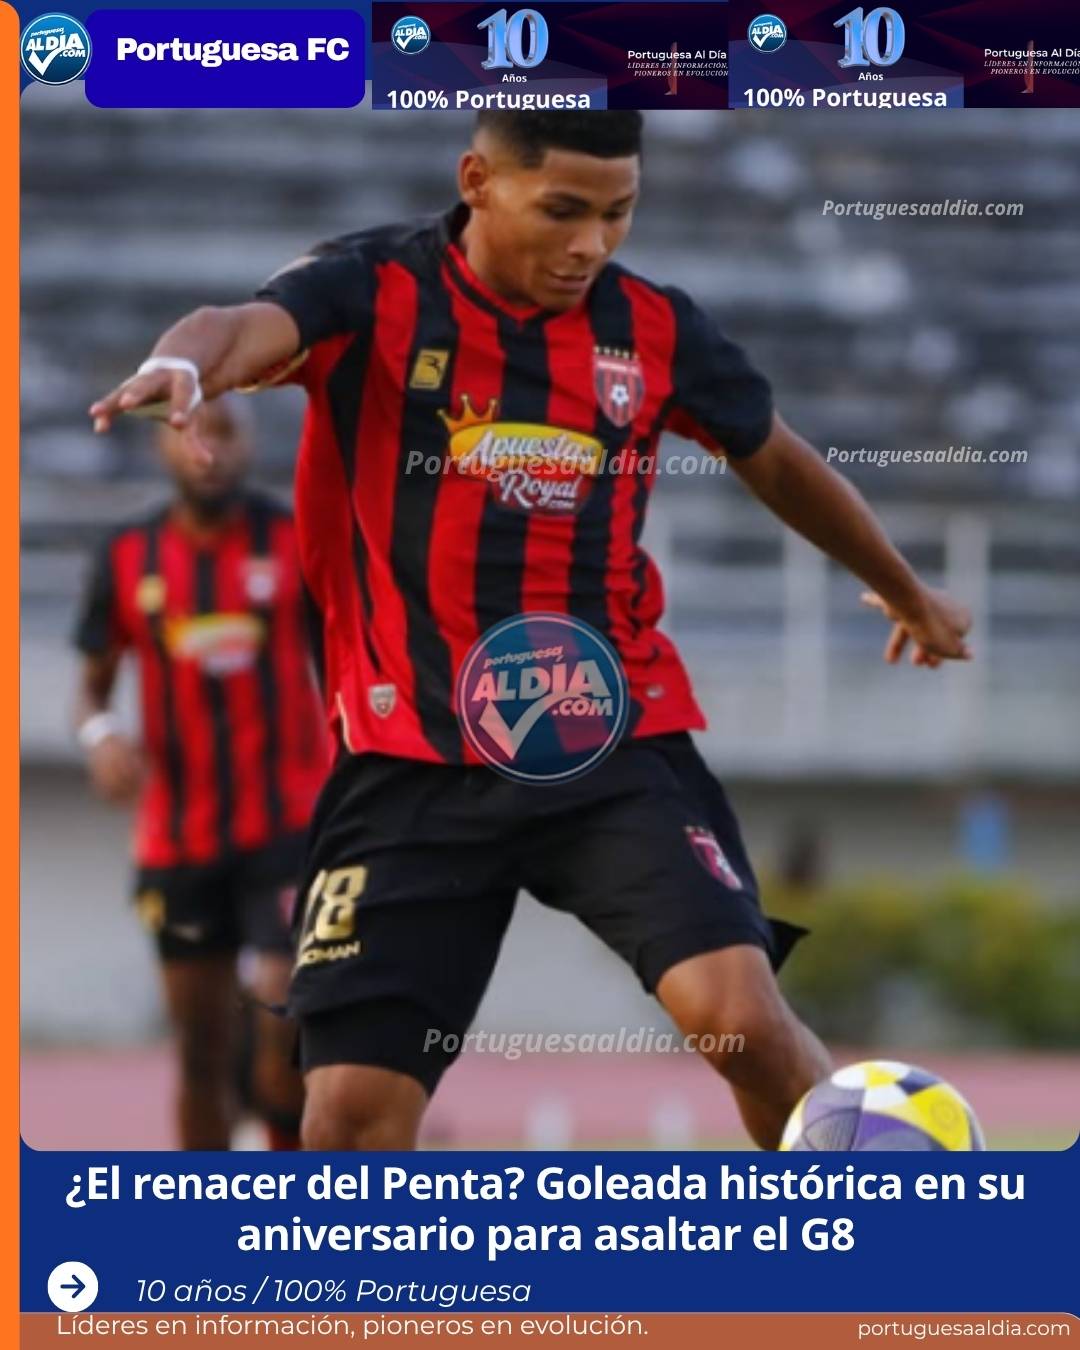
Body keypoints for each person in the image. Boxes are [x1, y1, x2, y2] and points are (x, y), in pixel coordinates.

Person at [89, 112, 972, 1151]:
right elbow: (234, 327)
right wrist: (186, 369)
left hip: (605, 738)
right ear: (478, 181)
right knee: (347, 1117)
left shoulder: (655, 330)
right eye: (563, 210)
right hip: (408, 762)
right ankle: (366, 1312)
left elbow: (772, 456)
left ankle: (859, 1251)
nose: (591, 243)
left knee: (741, 1024)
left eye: (618, 213)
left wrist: (904, 587)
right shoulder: (372, 288)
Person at [73, 395, 329, 1149]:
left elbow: (348, 657)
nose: (207, 449)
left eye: (225, 430)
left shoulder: (293, 539)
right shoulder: (126, 556)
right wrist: (101, 735)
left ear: (249, 442)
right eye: (192, 432)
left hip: (286, 822)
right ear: (163, 445)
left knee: (285, 1016)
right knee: (199, 1051)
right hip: (177, 840)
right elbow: (91, 687)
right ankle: (203, 1219)